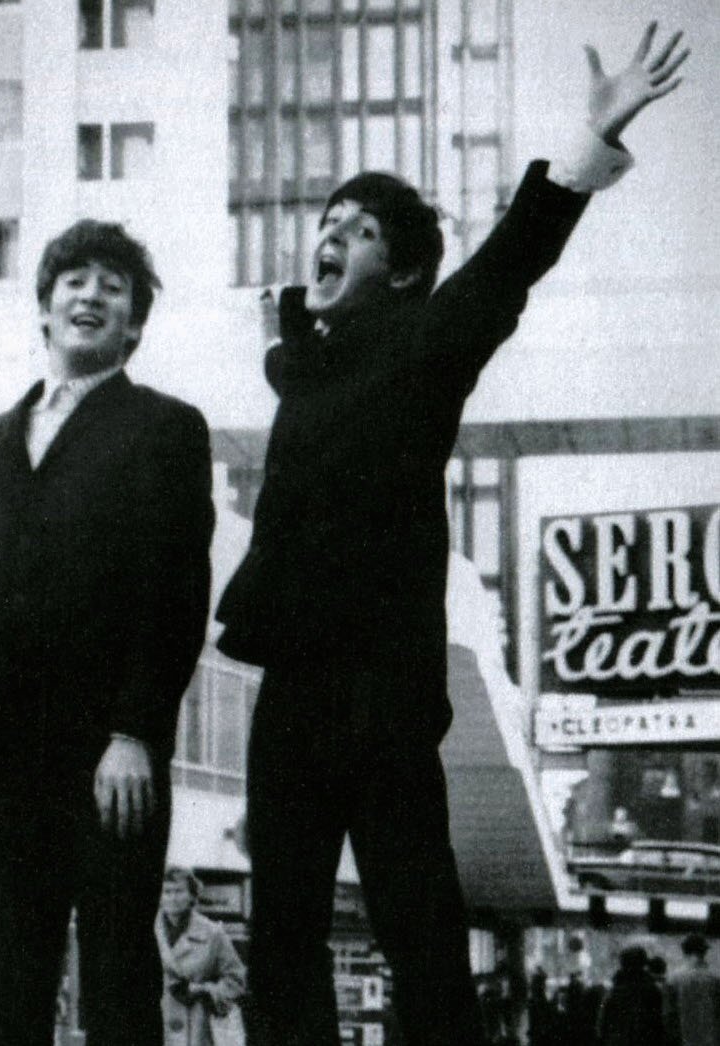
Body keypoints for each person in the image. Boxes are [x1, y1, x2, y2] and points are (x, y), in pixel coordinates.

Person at [210, 22, 688, 1046]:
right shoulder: (315, 368)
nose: (330, 232)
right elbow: (297, 378)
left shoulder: (424, 346)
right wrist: (283, 333)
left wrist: (585, 146)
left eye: (360, 227)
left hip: (379, 691)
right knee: (283, 928)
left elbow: (509, 263)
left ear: (404, 268)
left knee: (417, 923)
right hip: (293, 687)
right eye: (328, 219)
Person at [0, 220, 215, 1046]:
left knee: (117, 973)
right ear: (46, 306)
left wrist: (136, 730)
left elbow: (176, 591)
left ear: (133, 325)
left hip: (111, 756)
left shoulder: (166, 428)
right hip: (10, 756)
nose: (92, 294)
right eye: (76, 279)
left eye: (114, 285)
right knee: (13, 976)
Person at [155, 868, 245, 1046]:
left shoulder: (213, 934)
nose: (172, 898)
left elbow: (236, 980)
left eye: (179, 891)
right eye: (166, 892)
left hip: (196, 1031)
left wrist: (205, 990)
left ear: (191, 895)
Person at [596, 947, 663, 1046]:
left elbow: (602, 1023)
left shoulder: (615, 991)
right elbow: (660, 1022)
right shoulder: (652, 990)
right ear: (644, 965)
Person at [663, 933, 720, 1046]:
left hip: (684, 1040)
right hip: (712, 1040)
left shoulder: (672, 978)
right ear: (704, 952)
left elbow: (667, 1015)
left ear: (684, 951)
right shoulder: (716, 977)